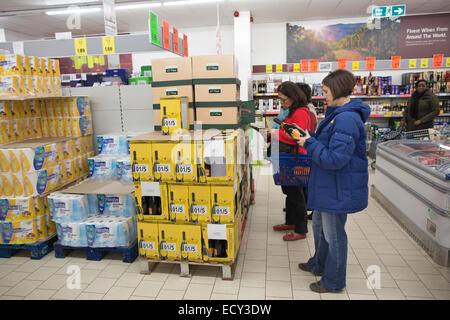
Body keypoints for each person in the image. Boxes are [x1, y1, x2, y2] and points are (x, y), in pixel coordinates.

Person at [294, 69, 370, 293]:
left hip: (337, 187)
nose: (323, 95)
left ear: (337, 90)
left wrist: (309, 144)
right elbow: (329, 144)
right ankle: (319, 263)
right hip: (329, 184)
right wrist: (310, 137)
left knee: (334, 234)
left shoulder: (346, 118)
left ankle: (334, 281)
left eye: (326, 91)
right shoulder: (337, 114)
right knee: (318, 225)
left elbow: (335, 159)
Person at [269, 81, 311, 241]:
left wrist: (273, 133)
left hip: (296, 157)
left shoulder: (301, 112)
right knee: (290, 191)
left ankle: (300, 229)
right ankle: (291, 222)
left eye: (283, 100)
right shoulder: (292, 111)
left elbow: (296, 134)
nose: (281, 103)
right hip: (289, 157)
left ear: (293, 97)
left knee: (296, 193)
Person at [297, 83, 318, 221]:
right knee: (304, 184)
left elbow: (306, 132)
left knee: (306, 184)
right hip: (307, 150)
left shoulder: (307, 112)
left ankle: (309, 209)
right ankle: (307, 208)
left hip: (306, 150)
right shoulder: (307, 110)